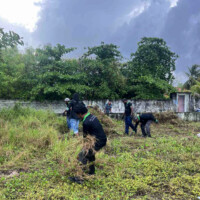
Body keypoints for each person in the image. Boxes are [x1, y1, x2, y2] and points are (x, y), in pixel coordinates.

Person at [74, 103, 107, 175]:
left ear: (79, 114)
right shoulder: (92, 116)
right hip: (102, 139)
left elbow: (86, 138)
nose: (77, 116)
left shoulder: (86, 122)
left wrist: (83, 147)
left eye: (77, 114)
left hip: (98, 141)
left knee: (82, 155)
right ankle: (92, 172)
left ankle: (79, 176)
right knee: (90, 154)